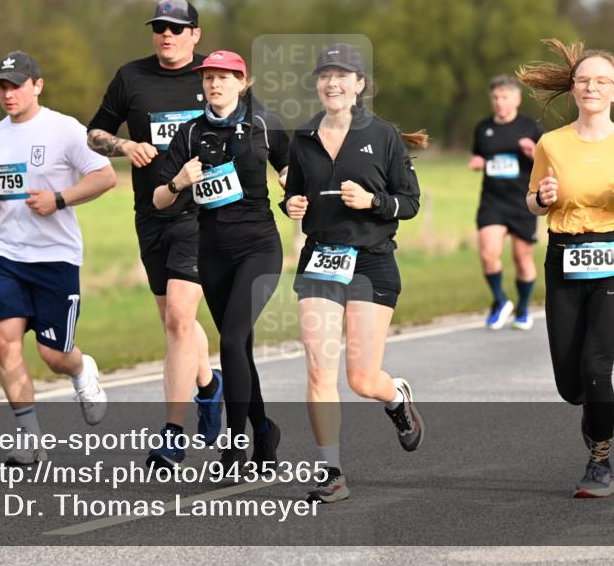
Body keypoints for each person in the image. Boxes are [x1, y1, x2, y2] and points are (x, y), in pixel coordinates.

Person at [281, 43, 428, 503]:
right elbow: (294, 196)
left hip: (371, 260)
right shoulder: (303, 136)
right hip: (321, 257)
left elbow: (410, 202)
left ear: (360, 85)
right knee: (319, 368)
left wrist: (373, 202)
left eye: (343, 74)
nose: (333, 82)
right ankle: (331, 472)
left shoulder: (382, 135)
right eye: (325, 74)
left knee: (361, 379)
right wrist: (291, 204)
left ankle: (395, 396)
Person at [519, 39, 614, 498]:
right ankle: (591, 409)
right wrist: (540, 199)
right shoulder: (551, 144)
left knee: (597, 368)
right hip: (563, 258)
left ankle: (599, 463)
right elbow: (534, 202)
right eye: (584, 80)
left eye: (601, 81)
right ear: (573, 88)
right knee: (570, 382)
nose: (591, 87)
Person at [86, 0, 222, 469]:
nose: (167, 35)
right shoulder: (131, 77)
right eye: (159, 28)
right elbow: (95, 132)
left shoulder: (214, 75)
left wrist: (287, 169)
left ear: (195, 35)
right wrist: (123, 144)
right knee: (173, 323)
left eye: (177, 28)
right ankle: (209, 384)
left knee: (182, 320)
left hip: (202, 217)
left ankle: (172, 433)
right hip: (151, 213)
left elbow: (257, 127)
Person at [0, 50, 116, 465]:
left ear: (37, 85)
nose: (8, 93)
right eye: (2, 86)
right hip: (8, 255)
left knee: (53, 356)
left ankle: (82, 369)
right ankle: (30, 438)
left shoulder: (64, 129)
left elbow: (105, 176)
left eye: (16, 85)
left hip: (56, 258)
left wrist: (59, 199)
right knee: (4, 341)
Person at [153, 51, 289, 470]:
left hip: (259, 249)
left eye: (224, 77)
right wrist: (179, 181)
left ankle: (234, 445)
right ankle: (264, 432)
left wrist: (294, 192)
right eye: (209, 77)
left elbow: (292, 176)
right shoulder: (191, 132)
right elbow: (160, 199)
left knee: (230, 340)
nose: (215, 84)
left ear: (242, 82)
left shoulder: (265, 125)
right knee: (240, 349)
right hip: (211, 253)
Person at [469, 75, 545, 330]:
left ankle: (523, 309)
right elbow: (479, 155)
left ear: (517, 99)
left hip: (523, 202)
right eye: (496, 98)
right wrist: (478, 162)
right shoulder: (483, 128)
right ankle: (501, 301)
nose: (500, 102)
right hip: (492, 202)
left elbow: (547, 163)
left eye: (505, 97)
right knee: (488, 253)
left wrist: (533, 153)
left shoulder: (530, 127)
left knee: (522, 258)